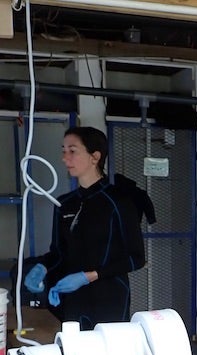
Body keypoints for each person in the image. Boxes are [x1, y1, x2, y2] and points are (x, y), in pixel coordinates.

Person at [23, 126, 145, 330]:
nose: (64, 158)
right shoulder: (64, 203)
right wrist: (42, 267)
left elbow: (136, 258)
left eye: (72, 151)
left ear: (94, 157)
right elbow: (59, 254)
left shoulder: (119, 201)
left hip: (110, 298)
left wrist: (89, 276)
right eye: (63, 150)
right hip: (72, 298)